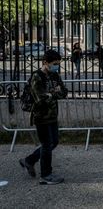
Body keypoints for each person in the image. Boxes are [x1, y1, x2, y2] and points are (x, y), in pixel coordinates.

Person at [19, 50, 68, 185]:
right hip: (40, 116)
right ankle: (46, 175)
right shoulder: (37, 77)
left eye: (58, 64)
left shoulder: (54, 75)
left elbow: (64, 92)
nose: (57, 66)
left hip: (52, 115)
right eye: (54, 64)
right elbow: (39, 99)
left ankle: (29, 160)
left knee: (54, 142)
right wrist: (54, 93)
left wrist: (52, 94)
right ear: (45, 62)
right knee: (47, 144)